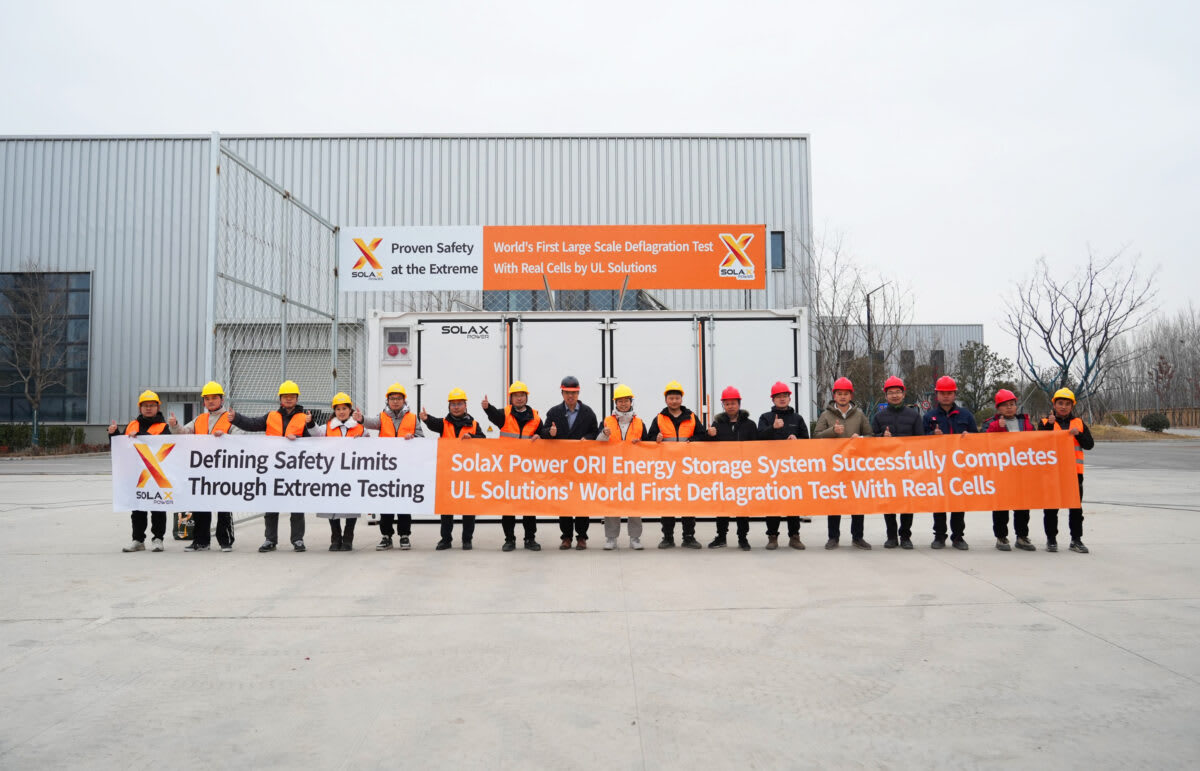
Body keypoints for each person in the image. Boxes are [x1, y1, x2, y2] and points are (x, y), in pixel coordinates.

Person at [229, 380, 313, 553]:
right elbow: (252, 424)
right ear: (280, 399)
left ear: (297, 399)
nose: (288, 399)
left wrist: (300, 438)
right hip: (273, 468)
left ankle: (297, 539)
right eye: (285, 396)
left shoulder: (304, 418)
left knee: (296, 506)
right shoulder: (271, 416)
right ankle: (270, 539)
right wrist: (236, 418)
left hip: (295, 469)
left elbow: (314, 442)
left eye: (292, 396)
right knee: (271, 506)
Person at [167, 381, 235, 552]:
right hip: (202, 470)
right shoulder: (199, 419)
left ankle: (225, 541)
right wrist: (175, 425)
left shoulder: (230, 418)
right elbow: (183, 433)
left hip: (223, 470)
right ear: (204, 401)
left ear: (221, 399)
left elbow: (241, 440)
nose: (210, 401)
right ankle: (201, 541)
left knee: (223, 507)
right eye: (207, 398)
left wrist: (226, 437)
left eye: (214, 398)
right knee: (200, 506)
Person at [355, 383, 421, 551]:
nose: (395, 401)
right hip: (386, 467)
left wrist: (413, 437)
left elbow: (422, 439)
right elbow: (371, 423)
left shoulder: (413, 418)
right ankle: (386, 536)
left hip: (405, 468)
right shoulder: (383, 416)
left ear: (404, 400)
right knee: (386, 503)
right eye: (392, 398)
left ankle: (404, 535)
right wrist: (361, 419)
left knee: (404, 502)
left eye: (398, 398)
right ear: (388, 400)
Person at [420, 387, 485, 550]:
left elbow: (483, 441)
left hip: (467, 472)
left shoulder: (474, 424)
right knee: (446, 507)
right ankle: (446, 539)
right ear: (449, 406)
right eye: (453, 404)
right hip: (448, 472)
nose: (456, 407)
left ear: (465, 406)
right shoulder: (444, 423)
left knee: (468, 507)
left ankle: (467, 539)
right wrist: (426, 419)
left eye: (459, 404)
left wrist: (472, 437)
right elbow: (433, 423)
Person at [814, 377, 875, 550]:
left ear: (851, 396)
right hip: (834, 465)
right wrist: (832, 431)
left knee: (857, 502)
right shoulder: (826, 415)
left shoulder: (859, 415)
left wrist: (860, 437)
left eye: (845, 394)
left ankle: (858, 537)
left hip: (855, 465)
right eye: (839, 394)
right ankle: (833, 537)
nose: (842, 396)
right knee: (835, 502)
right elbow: (816, 436)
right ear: (834, 396)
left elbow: (870, 435)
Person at [540, 375, 600, 549]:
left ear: (578, 393)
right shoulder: (554, 412)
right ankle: (566, 537)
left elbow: (595, 432)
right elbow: (543, 431)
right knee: (564, 502)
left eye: (573, 393)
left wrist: (587, 437)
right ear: (562, 393)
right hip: (562, 466)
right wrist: (550, 433)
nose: (570, 396)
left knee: (581, 502)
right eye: (567, 393)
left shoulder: (588, 413)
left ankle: (582, 537)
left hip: (582, 466)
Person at [482, 381, 542, 551]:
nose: (519, 398)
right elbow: (494, 416)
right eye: (516, 396)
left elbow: (543, 433)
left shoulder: (536, 417)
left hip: (527, 469)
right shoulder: (505, 414)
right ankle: (509, 539)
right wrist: (487, 408)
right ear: (511, 398)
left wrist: (542, 435)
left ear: (526, 397)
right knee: (508, 506)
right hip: (508, 468)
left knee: (529, 506)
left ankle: (530, 539)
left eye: (522, 395)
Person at [109, 390, 169, 553]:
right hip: (135, 473)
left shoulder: (163, 427)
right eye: (145, 405)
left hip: (155, 474)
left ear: (157, 407)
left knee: (158, 508)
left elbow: (162, 446)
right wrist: (114, 434)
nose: (148, 408)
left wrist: (141, 435)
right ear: (140, 408)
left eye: (152, 405)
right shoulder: (132, 425)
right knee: (137, 509)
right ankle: (138, 540)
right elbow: (121, 447)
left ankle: (158, 538)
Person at [923, 375, 978, 550]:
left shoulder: (966, 415)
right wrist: (932, 436)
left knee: (958, 503)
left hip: (959, 467)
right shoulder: (929, 416)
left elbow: (978, 440)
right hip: (938, 467)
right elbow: (920, 441)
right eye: (942, 393)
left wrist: (970, 437)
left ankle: (958, 537)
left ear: (955, 394)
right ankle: (939, 536)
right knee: (939, 503)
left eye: (949, 393)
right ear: (937, 395)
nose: (946, 396)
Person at [646, 380, 701, 549]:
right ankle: (668, 537)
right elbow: (649, 439)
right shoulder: (659, 418)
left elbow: (702, 435)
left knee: (687, 503)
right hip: (667, 469)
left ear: (681, 399)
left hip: (687, 468)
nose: (674, 401)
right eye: (671, 398)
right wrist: (655, 439)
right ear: (666, 400)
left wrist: (693, 440)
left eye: (677, 398)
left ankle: (689, 537)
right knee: (667, 503)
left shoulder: (692, 417)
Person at [1038, 387, 1094, 554]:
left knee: (1076, 509)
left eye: (1067, 404)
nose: (1063, 407)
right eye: (1060, 403)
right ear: (1054, 405)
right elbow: (1038, 442)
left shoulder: (1079, 423)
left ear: (1072, 406)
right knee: (1051, 508)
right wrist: (1049, 426)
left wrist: (1079, 435)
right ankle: (1051, 540)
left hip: (1074, 473)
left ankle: (1076, 540)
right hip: (1052, 472)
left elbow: (1089, 445)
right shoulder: (1045, 423)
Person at [701, 386, 757, 550]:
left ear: (739, 404)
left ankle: (743, 538)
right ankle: (721, 537)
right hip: (723, 472)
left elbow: (757, 446)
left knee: (742, 506)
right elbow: (707, 446)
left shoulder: (749, 425)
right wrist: (708, 435)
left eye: (733, 403)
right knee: (722, 506)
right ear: (723, 405)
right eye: (727, 403)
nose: (730, 406)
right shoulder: (717, 424)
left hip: (743, 473)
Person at [982, 389, 1037, 551]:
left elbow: (1036, 441)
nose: (1009, 407)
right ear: (998, 408)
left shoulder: (1026, 423)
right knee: (1001, 507)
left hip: (1022, 472)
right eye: (1005, 405)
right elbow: (982, 442)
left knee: (1023, 507)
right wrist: (996, 428)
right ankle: (1001, 537)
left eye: (1012, 404)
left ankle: (1022, 536)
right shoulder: (990, 423)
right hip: (1001, 472)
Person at [871, 376, 922, 549]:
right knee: (889, 503)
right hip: (887, 467)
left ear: (903, 394)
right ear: (886, 395)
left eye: (898, 392)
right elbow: (871, 439)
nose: (894, 395)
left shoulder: (914, 415)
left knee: (907, 503)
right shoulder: (879, 416)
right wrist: (881, 436)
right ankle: (891, 536)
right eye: (891, 392)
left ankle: (905, 536)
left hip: (908, 467)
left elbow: (921, 440)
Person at [756, 381, 809, 549]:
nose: (782, 399)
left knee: (793, 502)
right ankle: (772, 537)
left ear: (789, 398)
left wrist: (797, 439)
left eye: (785, 396)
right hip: (771, 468)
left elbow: (807, 440)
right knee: (773, 503)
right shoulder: (766, 417)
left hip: (792, 467)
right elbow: (758, 438)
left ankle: (794, 536)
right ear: (773, 399)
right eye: (778, 396)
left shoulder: (797, 418)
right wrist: (772, 427)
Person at [596, 384, 646, 550]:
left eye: (626, 400)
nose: (623, 404)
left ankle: (635, 538)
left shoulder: (639, 422)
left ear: (631, 402)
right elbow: (597, 443)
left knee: (634, 504)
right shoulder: (607, 421)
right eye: (620, 401)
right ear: (615, 403)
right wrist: (604, 434)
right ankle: (611, 538)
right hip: (613, 469)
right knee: (612, 504)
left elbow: (649, 445)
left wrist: (640, 443)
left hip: (633, 469)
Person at [319, 393, 365, 551]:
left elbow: (369, 447)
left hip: (352, 473)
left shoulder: (360, 428)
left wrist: (362, 442)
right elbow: (313, 435)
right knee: (332, 505)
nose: (341, 412)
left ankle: (348, 537)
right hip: (332, 472)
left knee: (351, 505)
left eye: (344, 408)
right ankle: (335, 537)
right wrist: (309, 423)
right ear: (334, 411)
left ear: (350, 409)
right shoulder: (327, 427)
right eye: (338, 409)